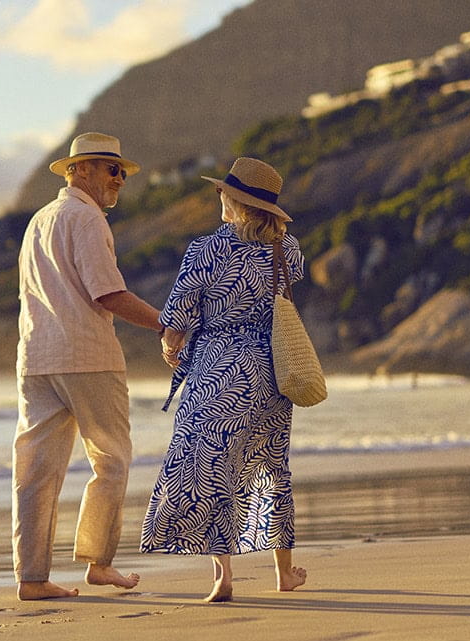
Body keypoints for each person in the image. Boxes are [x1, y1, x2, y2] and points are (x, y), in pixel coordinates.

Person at [140, 157, 309, 602]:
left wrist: (170, 348)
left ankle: (223, 575)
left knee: (213, 466)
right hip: (272, 372)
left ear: (233, 200)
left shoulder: (205, 249)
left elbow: (177, 313)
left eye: (223, 193)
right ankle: (284, 573)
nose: (219, 197)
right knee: (270, 466)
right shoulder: (286, 249)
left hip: (218, 373)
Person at [13, 132, 168, 600]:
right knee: (112, 460)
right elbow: (108, 293)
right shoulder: (87, 218)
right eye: (109, 168)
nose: (118, 178)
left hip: (36, 358)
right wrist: (167, 324)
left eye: (120, 170)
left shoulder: (40, 220)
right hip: (87, 356)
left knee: (35, 471)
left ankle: (33, 579)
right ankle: (98, 564)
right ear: (77, 170)